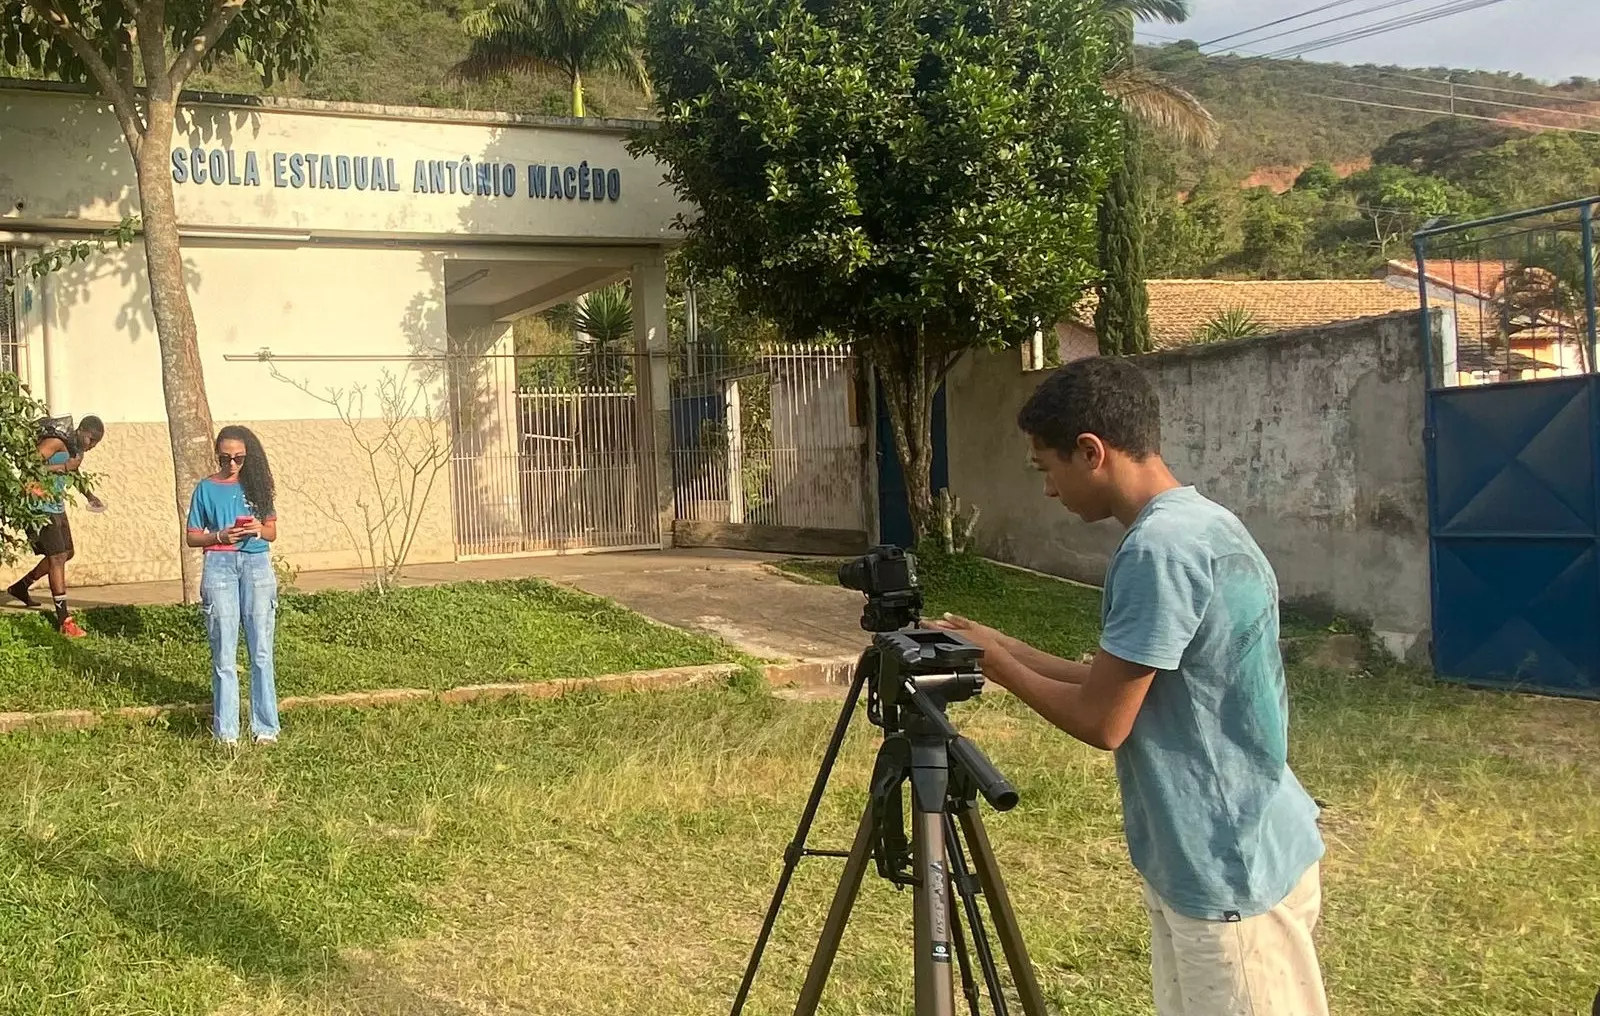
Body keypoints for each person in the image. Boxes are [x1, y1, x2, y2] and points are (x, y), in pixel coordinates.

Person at [931, 357, 1327, 1016]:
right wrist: (999, 645)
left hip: (1225, 867)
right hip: (1232, 845)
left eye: (1046, 469)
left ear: (1090, 452)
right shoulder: (1197, 523)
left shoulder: (1158, 551)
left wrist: (997, 669)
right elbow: (1121, 681)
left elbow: (1104, 720)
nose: (1050, 490)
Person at [184, 425, 281, 747]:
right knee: (224, 653)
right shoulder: (206, 488)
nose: (232, 464)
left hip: (256, 566)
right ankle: (227, 732)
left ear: (248, 456)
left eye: (238, 458)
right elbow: (192, 536)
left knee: (261, 652)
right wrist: (220, 536)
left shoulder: (259, 486)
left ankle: (266, 728)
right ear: (217, 456)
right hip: (220, 566)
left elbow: (271, 533)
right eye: (225, 458)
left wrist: (256, 528)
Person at [7, 415, 106, 637]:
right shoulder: (56, 442)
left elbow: (74, 472)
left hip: (56, 505)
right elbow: (29, 467)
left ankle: (21, 586)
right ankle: (64, 620)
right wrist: (62, 466)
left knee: (67, 553)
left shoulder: (75, 448)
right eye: (91, 440)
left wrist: (90, 496)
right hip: (39, 505)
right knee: (57, 557)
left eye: (96, 444)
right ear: (81, 430)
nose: (92, 446)